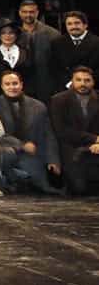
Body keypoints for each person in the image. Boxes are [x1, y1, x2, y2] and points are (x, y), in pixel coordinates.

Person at [0, 70, 62, 194]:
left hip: (31, 156)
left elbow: (48, 135)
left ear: (21, 85)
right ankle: (8, 179)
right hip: (6, 151)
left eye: (15, 83)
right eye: (7, 84)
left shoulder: (38, 106)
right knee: (4, 156)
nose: (12, 87)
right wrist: (21, 145)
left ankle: (20, 179)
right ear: (2, 86)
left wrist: (53, 160)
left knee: (43, 187)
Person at [49, 66, 99, 195]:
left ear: (93, 82)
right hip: (71, 147)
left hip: (97, 147)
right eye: (79, 80)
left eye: (87, 80)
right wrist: (94, 139)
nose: (83, 84)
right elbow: (62, 131)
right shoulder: (58, 100)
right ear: (72, 81)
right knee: (79, 189)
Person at [17, 0, 63, 103]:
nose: (28, 15)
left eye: (31, 12)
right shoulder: (14, 34)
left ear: (37, 13)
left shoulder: (53, 34)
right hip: (23, 85)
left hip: (47, 84)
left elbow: (59, 62)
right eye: (25, 12)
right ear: (19, 13)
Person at [0, 18, 34, 100]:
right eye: (3, 33)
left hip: (24, 97)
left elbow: (31, 76)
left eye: (11, 33)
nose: (7, 36)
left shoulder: (26, 53)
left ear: (16, 35)